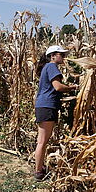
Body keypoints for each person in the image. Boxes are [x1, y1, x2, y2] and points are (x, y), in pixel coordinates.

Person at [34, 45, 78, 181]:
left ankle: (39, 168)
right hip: (47, 106)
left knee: (41, 140)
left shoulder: (46, 68)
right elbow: (58, 87)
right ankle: (38, 172)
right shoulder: (52, 66)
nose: (63, 57)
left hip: (43, 105)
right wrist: (73, 87)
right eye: (61, 55)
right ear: (53, 56)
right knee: (42, 141)